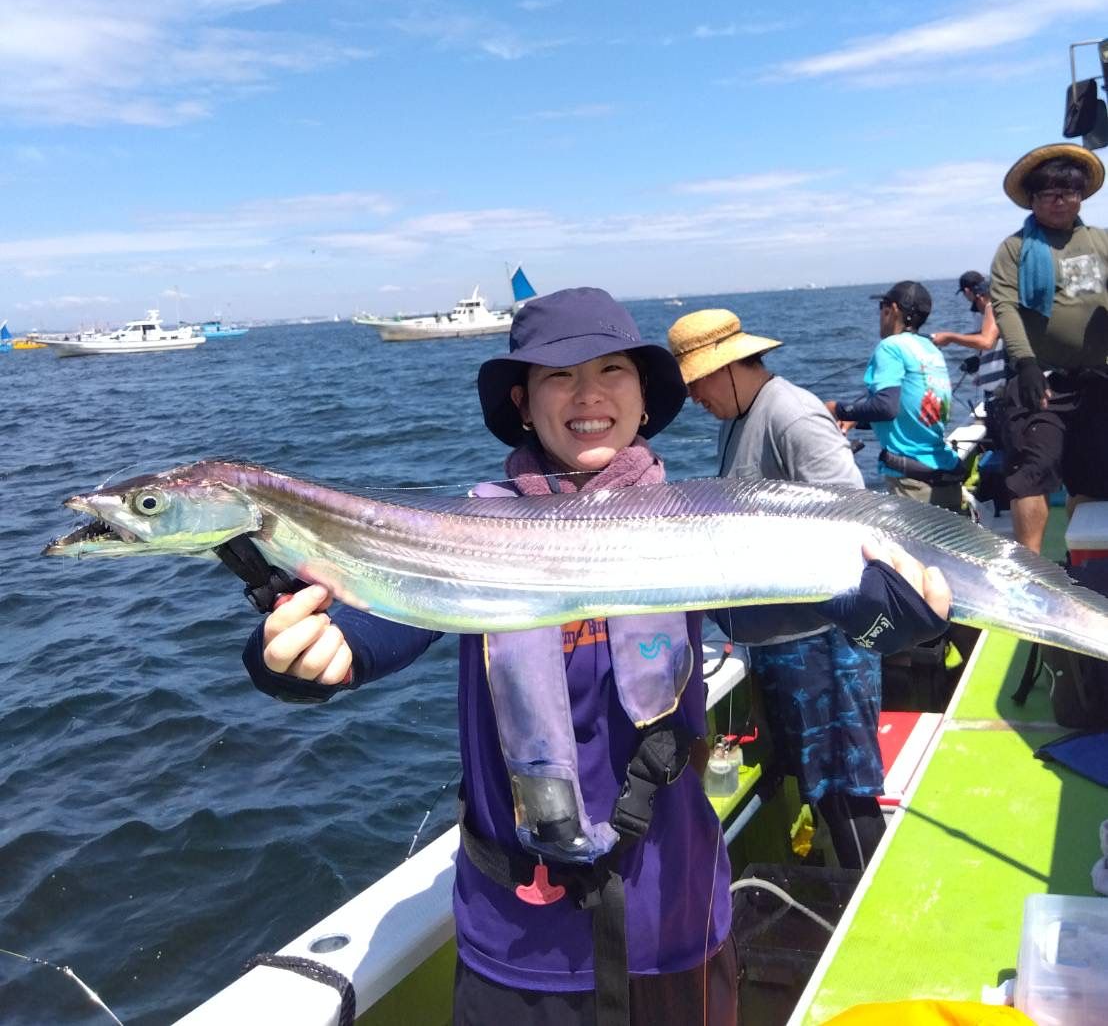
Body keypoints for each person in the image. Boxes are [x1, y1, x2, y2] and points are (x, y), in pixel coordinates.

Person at [243, 288, 950, 1026]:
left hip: (674, 920)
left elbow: (804, 611)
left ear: (644, 398)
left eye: (613, 370)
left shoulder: (699, 528)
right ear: (523, 403)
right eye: (559, 375)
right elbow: (372, 628)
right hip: (518, 940)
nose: (588, 394)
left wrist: (888, 619)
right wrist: (299, 660)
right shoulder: (469, 534)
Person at [668, 307, 886, 872]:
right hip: (780, 644)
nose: (692, 397)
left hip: (824, 644)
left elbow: (853, 524)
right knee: (815, 783)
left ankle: (872, 899)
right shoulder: (737, 418)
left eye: (696, 382)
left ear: (728, 367)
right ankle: (841, 883)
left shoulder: (791, 415)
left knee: (844, 788)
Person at [989, 143, 1108, 554]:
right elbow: (1005, 306)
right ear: (1033, 199)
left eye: (1068, 192)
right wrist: (1025, 362)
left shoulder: (1101, 242)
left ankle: (1083, 564)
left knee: (1095, 479)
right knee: (1033, 472)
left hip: (1096, 381)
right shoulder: (1015, 249)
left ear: (1082, 195)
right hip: (1041, 380)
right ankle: (1031, 571)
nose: (1059, 200)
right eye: (1048, 193)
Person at [828, 281, 963, 511]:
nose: (880, 314)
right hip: (944, 474)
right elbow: (908, 410)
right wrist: (856, 419)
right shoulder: (931, 349)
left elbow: (885, 407)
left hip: (912, 482)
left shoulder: (890, 346)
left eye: (882, 307)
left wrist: (836, 409)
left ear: (893, 309)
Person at [931, 272, 1007, 401]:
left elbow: (986, 341)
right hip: (994, 388)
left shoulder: (993, 306)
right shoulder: (1000, 307)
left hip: (1002, 392)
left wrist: (950, 337)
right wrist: (979, 363)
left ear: (967, 291)